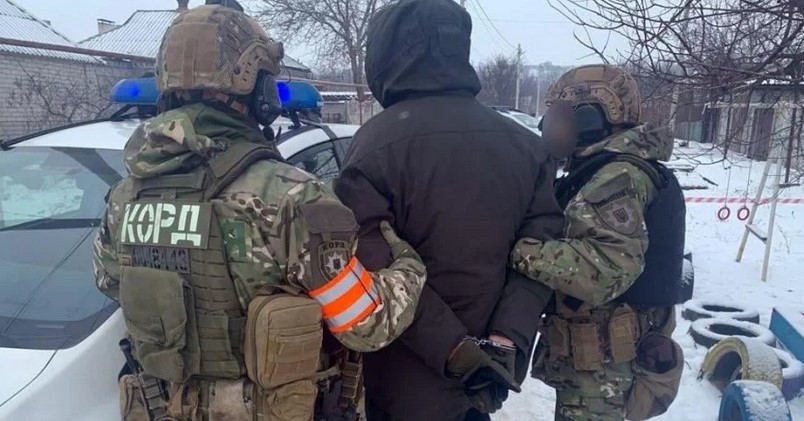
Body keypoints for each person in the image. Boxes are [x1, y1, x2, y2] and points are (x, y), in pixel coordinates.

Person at [92, 2, 428, 420]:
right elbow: (365, 323)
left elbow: (110, 281)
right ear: (256, 89)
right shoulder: (289, 195)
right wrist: (409, 268)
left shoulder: (125, 197)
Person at [333, 0, 564, 420]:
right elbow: (538, 260)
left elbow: (369, 267)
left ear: (386, 54)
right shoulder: (527, 147)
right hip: (485, 379)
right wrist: (507, 338)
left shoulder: (374, 147)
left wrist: (456, 350)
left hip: (400, 385)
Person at [510, 64, 686, 421]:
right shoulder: (607, 170)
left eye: (560, 115)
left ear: (592, 117)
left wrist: (518, 251)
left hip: (605, 373)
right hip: (602, 366)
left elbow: (606, 269)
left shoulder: (617, 178)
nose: (548, 126)